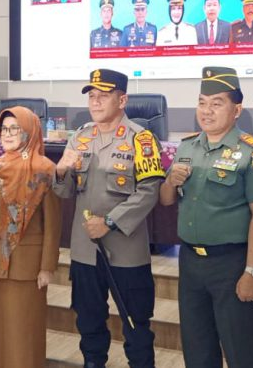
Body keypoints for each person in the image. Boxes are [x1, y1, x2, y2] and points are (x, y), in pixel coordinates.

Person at [158, 67, 253, 368]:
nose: (206, 111)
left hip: (231, 263)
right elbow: (166, 201)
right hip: (191, 262)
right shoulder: (186, 147)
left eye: (216, 103)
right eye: (202, 102)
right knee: (197, 350)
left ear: (237, 110)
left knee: (241, 351)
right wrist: (170, 181)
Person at [53, 69, 165, 368]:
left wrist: (110, 222)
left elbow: (149, 192)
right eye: (92, 96)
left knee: (136, 326)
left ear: (123, 99)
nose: (96, 102)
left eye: (103, 96)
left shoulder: (141, 140)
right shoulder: (80, 137)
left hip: (126, 252)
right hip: (85, 250)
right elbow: (64, 192)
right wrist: (61, 171)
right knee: (89, 322)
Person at [0, 106, 61, 368]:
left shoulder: (45, 169)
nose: (7, 134)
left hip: (27, 265)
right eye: (3, 128)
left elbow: (53, 224)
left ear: (29, 131)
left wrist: (47, 267)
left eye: (14, 128)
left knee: (24, 331)